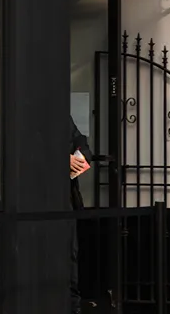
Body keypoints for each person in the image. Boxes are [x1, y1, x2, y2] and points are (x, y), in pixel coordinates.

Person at [69, 116, 94, 314]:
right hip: (37, 198)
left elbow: (81, 140)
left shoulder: (60, 115)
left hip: (67, 199)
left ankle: (73, 306)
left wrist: (81, 156)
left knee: (71, 253)